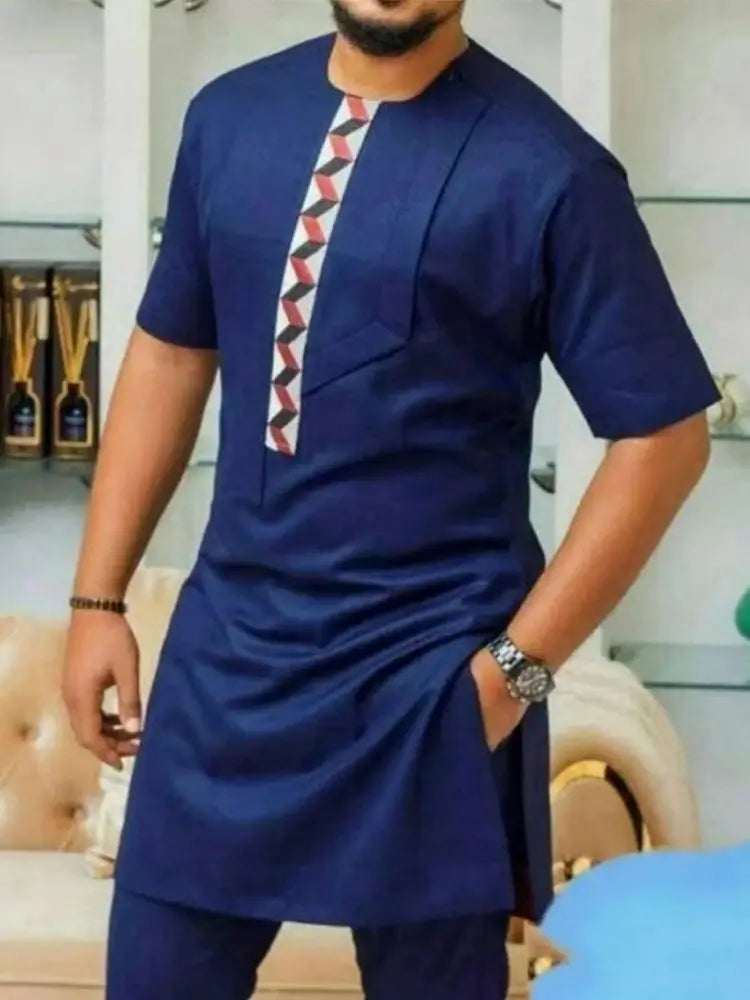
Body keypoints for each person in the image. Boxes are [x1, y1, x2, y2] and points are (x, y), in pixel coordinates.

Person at [62, 2, 720, 997]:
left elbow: (666, 438)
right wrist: (96, 598)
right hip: (228, 666)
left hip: (428, 683)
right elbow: (171, 350)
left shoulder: (551, 169)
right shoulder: (228, 119)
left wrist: (509, 679)